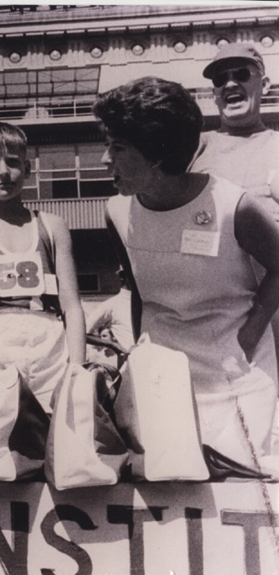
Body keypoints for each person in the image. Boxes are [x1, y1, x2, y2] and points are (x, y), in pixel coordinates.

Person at [96, 76, 279, 472]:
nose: (104, 160)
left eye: (118, 148)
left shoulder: (236, 206)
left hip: (237, 378)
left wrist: (248, 336)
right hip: (162, 380)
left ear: (157, 154)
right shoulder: (116, 211)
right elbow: (138, 293)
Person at [0, 122, 85, 413]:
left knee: (57, 438)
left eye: (12, 162)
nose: (4, 172)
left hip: (48, 345)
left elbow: (71, 305)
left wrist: (77, 369)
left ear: (28, 168)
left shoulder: (52, 226)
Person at [189, 43, 279, 371]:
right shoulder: (194, 148)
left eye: (241, 74)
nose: (229, 84)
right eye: (220, 79)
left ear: (264, 85)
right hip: (209, 312)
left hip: (273, 309)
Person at [85, 267, 135, 352]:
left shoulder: (147, 305)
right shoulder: (111, 305)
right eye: (134, 275)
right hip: (130, 361)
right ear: (122, 276)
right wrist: (111, 344)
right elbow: (81, 333)